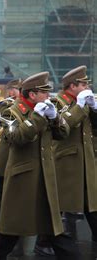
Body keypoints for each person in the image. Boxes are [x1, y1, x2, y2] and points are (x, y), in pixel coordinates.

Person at [0, 71, 80, 260]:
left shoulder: (45, 109)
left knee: (54, 230)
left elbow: (62, 133)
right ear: (32, 95)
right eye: (44, 92)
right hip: (22, 180)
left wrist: (55, 118)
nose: (49, 96)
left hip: (44, 178)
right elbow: (16, 137)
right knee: (9, 233)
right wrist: (38, 117)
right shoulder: (12, 111)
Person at [53, 66, 97, 240]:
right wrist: (79, 106)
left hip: (84, 158)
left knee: (90, 202)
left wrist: (94, 109)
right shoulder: (59, 102)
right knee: (60, 203)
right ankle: (43, 243)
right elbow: (62, 127)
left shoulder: (84, 102)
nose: (87, 88)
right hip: (66, 160)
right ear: (73, 86)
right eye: (84, 84)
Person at [0, 78, 21, 198]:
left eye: (18, 90)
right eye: (15, 90)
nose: (16, 93)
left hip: (20, 152)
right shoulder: (5, 105)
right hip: (6, 151)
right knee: (4, 188)